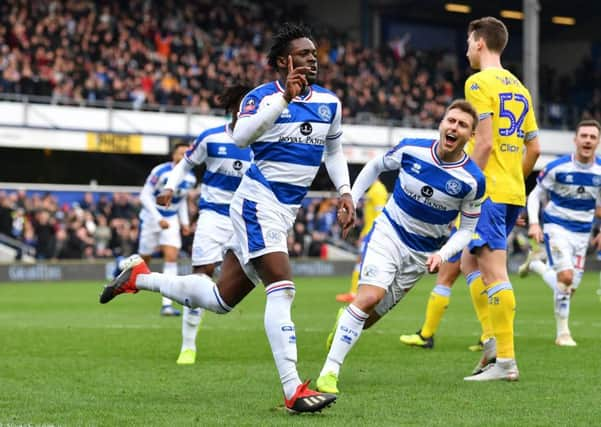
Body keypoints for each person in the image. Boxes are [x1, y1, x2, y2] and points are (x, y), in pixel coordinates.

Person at [100, 23, 354, 413]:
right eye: (305, 54)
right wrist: (284, 98)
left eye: (315, 54)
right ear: (285, 61)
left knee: (220, 299)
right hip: (257, 202)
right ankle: (293, 389)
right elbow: (242, 137)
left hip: (283, 212)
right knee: (282, 288)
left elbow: (334, 153)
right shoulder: (261, 97)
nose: (313, 59)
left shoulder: (330, 104)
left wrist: (345, 192)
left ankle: (139, 278)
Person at [316, 100, 485, 395]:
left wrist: (442, 255)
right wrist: (352, 198)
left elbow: (467, 232)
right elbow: (375, 166)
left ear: (471, 136)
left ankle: (344, 321)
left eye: (462, 125)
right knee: (369, 296)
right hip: (389, 233)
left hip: (421, 254)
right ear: (441, 123)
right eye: (451, 121)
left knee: (367, 319)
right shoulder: (411, 149)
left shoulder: (473, 181)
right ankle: (329, 372)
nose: (454, 127)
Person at [460, 17, 541, 381]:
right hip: (512, 190)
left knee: (493, 271)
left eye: (468, 42)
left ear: (479, 43)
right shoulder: (521, 88)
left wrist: (467, 185)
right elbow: (534, 149)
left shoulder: (478, 83)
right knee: (468, 263)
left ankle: (505, 361)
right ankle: (492, 341)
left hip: (488, 192)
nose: (466, 50)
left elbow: (486, 141)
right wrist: (514, 182)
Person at [161, 84, 253, 364]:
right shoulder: (210, 138)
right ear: (233, 108)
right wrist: (169, 186)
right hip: (213, 215)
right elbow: (185, 164)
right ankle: (188, 346)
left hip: (246, 217)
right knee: (200, 276)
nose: (250, 109)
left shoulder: (262, 143)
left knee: (266, 279)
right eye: (245, 104)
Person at [518, 119, 601, 346]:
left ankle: (536, 264)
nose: (587, 140)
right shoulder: (557, 168)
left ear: (597, 142)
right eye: (584, 135)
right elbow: (535, 195)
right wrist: (534, 224)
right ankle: (563, 333)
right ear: (575, 140)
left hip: (582, 234)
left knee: (568, 288)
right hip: (557, 227)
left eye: (592, 137)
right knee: (565, 277)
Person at [137, 143, 197, 316]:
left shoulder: (190, 178)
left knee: (171, 258)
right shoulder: (160, 171)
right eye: (180, 153)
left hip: (171, 220)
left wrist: (184, 222)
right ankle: (122, 265)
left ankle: (167, 305)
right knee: (143, 261)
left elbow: (181, 202)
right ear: (173, 155)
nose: (183, 156)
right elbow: (145, 195)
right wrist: (158, 218)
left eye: (187, 153)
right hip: (151, 218)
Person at [336, 178, 388, 303]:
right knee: (363, 261)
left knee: (362, 261)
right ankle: (357, 292)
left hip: (372, 232)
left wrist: (370, 233)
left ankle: (355, 293)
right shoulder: (375, 190)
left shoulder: (378, 190)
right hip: (369, 231)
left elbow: (380, 213)